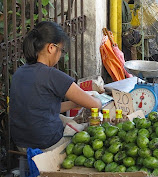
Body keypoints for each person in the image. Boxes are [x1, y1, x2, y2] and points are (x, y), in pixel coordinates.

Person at [10, 21, 102, 150]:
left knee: (64, 119)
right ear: (51, 48)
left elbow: (41, 109)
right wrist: (97, 97)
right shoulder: (52, 76)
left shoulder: (19, 73)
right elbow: (95, 105)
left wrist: (76, 103)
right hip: (46, 144)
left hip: (21, 144)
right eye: (61, 50)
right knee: (90, 132)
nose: (60, 55)